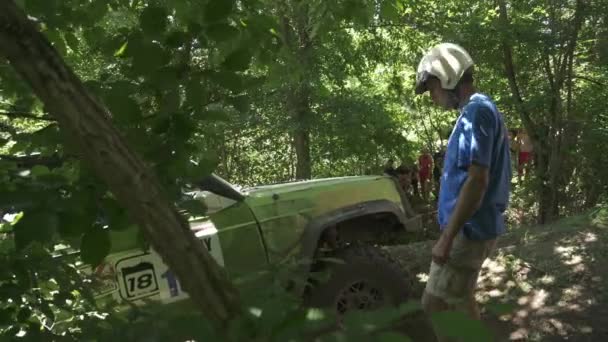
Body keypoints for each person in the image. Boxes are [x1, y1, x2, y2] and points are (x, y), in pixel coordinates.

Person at [414, 43, 511, 341]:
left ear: (448, 79)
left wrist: (446, 238)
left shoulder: (476, 113)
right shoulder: (478, 110)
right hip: (472, 228)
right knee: (462, 298)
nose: (432, 97)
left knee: (434, 307)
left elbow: (477, 182)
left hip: (466, 233)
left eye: (432, 88)